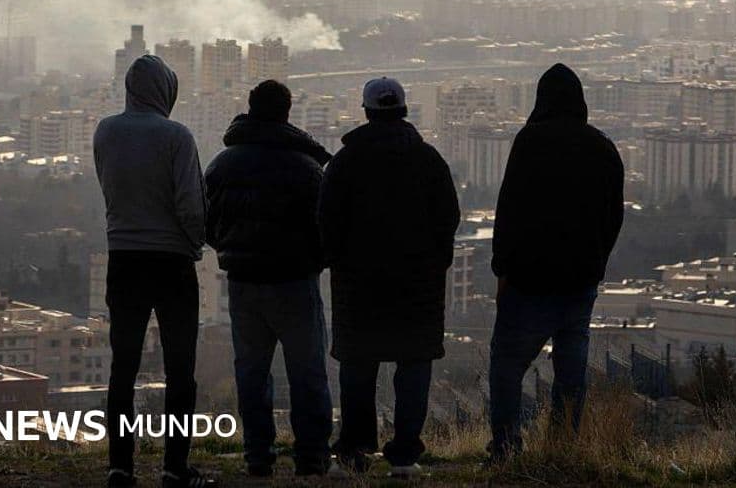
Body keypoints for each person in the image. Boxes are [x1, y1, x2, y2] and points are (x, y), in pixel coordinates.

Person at [319, 77, 461, 477]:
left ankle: (352, 452)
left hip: (358, 286)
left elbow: (326, 220)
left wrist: (339, 263)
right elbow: (448, 219)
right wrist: (436, 266)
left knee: (358, 367)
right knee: (413, 366)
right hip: (418, 287)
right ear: (403, 110)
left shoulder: (346, 162)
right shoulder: (428, 160)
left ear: (366, 112)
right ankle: (404, 456)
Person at [488, 63, 625, 459]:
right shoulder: (602, 148)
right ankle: (563, 448)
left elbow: (509, 209)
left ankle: (506, 446)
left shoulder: (530, 142)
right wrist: (596, 262)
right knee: (571, 373)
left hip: (529, 280)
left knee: (508, 367)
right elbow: (613, 216)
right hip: (579, 283)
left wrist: (502, 269)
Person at [93, 55, 215, 488]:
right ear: (167, 91)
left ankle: (119, 467)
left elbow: (110, 187)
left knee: (122, 368)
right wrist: (195, 243)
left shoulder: (105, 131)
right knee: (180, 369)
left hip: (123, 258)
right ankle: (174, 467)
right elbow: (190, 204)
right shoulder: (176, 137)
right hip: (171, 262)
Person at [204, 80, 334, 477]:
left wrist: (233, 251)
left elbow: (208, 224)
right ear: (287, 113)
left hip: (243, 283)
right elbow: (326, 229)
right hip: (295, 282)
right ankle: (311, 458)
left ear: (250, 108)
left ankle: (258, 455)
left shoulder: (223, 164)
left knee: (252, 371)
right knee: (307, 371)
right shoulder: (308, 168)